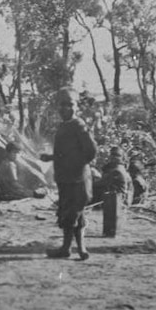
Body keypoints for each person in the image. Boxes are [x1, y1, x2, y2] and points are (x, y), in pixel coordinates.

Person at [40, 88, 98, 261]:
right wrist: (51, 157)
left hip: (77, 178)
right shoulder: (65, 126)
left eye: (70, 105)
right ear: (58, 108)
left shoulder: (78, 125)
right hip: (67, 178)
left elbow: (91, 152)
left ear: (76, 107)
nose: (66, 108)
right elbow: (66, 152)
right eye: (63, 105)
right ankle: (79, 249)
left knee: (71, 214)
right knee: (72, 213)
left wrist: (76, 166)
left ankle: (68, 248)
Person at [99, 146, 134, 238]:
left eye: (116, 155)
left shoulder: (117, 170)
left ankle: (110, 232)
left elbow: (102, 183)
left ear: (121, 157)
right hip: (119, 198)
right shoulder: (121, 168)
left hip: (117, 200)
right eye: (112, 155)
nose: (113, 157)